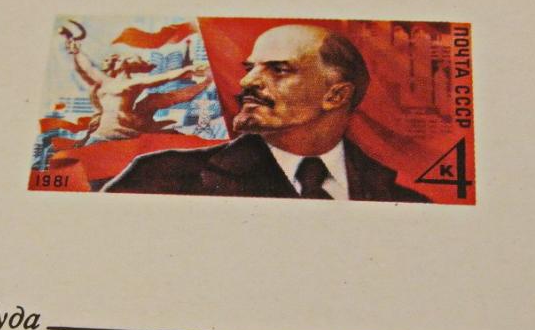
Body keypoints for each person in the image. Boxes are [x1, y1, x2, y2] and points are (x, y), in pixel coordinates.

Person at [104, 24, 429, 202]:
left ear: (336, 95)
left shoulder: (404, 202)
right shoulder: (162, 178)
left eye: (278, 69)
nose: (247, 82)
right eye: (250, 68)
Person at [65, 37, 212, 142]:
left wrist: (187, 69)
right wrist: (76, 51)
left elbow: (166, 77)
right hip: (102, 131)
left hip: (121, 130)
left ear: (128, 64)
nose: (116, 61)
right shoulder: (104, 81)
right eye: (116, 60)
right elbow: (87, 67)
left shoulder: (135, 82)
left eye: (120, 59)